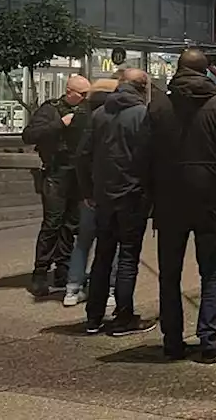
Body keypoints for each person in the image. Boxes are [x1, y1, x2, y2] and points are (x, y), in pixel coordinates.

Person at [156, 49, 216, 362]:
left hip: (168, 200)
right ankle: (208, 341)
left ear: (179, 69)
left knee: (169, 274)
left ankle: (172, 341)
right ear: (206, 71)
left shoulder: (159, 105)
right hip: (209, 197)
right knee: (210, 273)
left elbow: (143, 152)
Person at [76, 69, 157, 336]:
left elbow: (83, 155)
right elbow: (150, 158)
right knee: (128, 257)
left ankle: (93, 317)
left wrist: (89, 190)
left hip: (104, 196)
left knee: (103, 255)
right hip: (133, 196)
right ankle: (124, 316)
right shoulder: (143, 116)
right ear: (142, 88)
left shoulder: (99, 114)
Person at [21, 74, 90, 298]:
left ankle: (63, 268)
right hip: (56, 173)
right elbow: (29, 135)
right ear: (69, 92)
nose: (85, 98)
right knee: (52, 222)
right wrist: (60, 124)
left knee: (71, 224)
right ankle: (40, 272)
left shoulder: (85, 111)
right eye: (82, 94)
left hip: (77, 174)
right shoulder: (50, 110)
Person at [63, 77, 119, 308]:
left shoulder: (81, 117)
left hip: (88, 191)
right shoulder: (114, 116)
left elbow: (80, 156)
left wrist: (85, 190)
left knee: (83, 241)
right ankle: (110, 290)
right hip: (112, 189)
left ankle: (72, 288)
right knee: (111, 242)